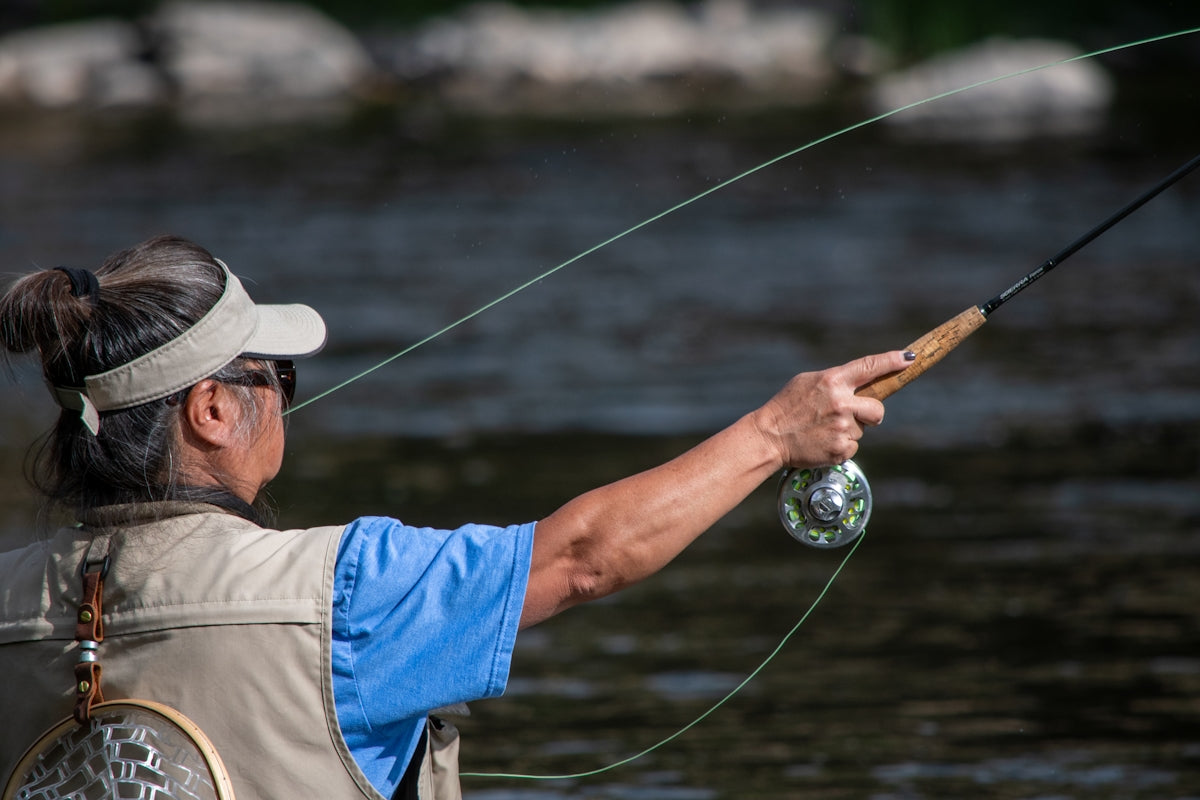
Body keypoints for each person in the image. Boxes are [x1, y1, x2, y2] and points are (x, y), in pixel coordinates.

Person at [0, 235, 913, 799]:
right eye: (274, 377)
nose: (285, 396)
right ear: (209, 410)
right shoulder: (349, 591)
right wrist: (773, 433)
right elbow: (588, 555)